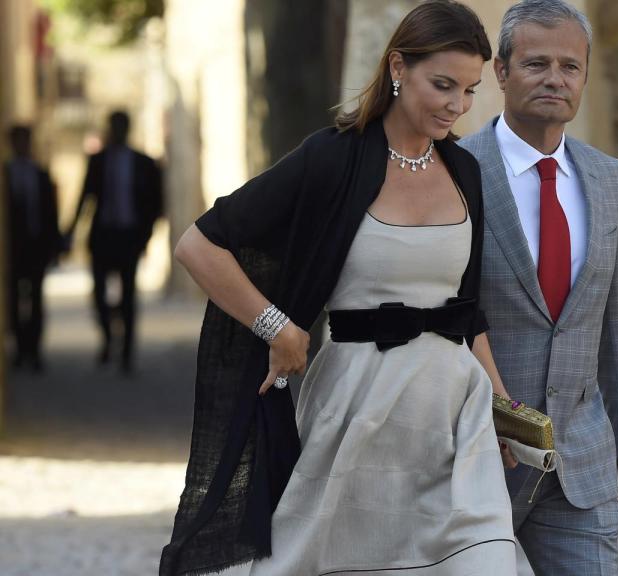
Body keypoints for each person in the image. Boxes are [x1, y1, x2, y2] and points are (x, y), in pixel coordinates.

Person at [160, 3, 517, 575]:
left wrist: (502, 407)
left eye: (471, 90)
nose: (457, 104)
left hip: (454, 410)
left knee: (485, 562)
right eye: (443, 84)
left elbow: (467, 313)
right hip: (358, 405)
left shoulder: (464, 172)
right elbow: (198, 246)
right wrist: (276, 327)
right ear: (398, 68)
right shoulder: (332, 158)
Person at [459, 1, 618, 572]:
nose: (554, 79)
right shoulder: (457, 170)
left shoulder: (606, 175)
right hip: (479, 455)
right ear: (501, 72)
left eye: (570, 67)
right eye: (536, 64)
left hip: (581, 461)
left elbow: (616, 327)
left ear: (586, 78)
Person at [65, 110, 163, 373]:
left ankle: (127, 353)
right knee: (98, 293)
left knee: (129, 294)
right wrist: (71, 231)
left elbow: (155, 203)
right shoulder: (98, 161)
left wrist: (146, 235)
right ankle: (109, 337)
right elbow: (86, 197)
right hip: (103, 235)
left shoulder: (143, 163)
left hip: (129, 236)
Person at [4, 125, 60, 372]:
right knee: (14, 299)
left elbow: (50, 213)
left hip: (36, 247)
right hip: (12, 249)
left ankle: (34, 349)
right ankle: (19, 348)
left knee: (35, 298)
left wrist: (53, 245)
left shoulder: (40, 175)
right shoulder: (6, 175)